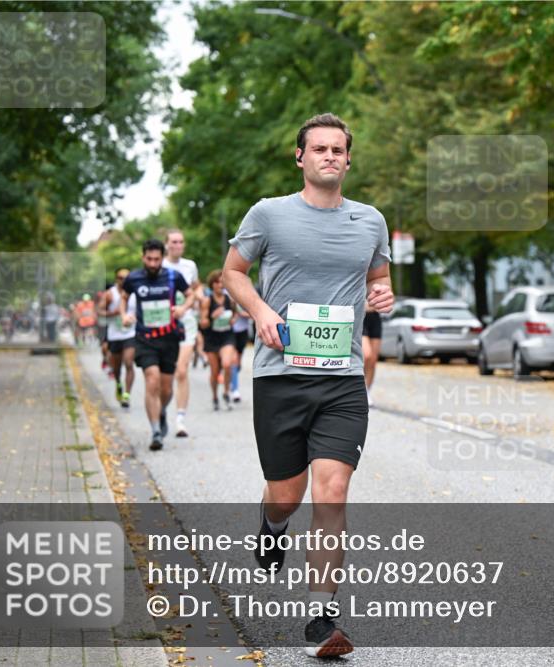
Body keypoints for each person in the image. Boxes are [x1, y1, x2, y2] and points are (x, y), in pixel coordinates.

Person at [223, 113, 392, 658]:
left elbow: (378, 278)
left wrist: (384, 296)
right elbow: (232, 272)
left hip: (341, 380)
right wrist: (262, 312)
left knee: (333, 490)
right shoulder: (268, 215)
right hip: (281, 374)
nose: (328, 157)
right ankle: (272, 526)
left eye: (338, 150)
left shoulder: (370, 221)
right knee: (286, 495)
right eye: (318, 149)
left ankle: (322, 615)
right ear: (300, 157)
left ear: (348, 158)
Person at [121, 239, 192, 451]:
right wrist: (125, 314)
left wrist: (182, 309)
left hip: (169, 338)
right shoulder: (133, 278)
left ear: (162, 258)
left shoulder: (172, 277)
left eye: (157, 259)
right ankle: (155, 432)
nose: (153, 263)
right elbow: (124, 298)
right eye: (149, 259)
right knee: (151, 380)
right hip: (145, 338)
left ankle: (161, 411)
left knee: (166, 388)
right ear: (143, 257)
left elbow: (191, 296)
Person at [162, 229, 201, 438]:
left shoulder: (190, 266)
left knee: (182, 371)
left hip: (186, 322)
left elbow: (195, 288)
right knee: (163, 375)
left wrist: (194, 302)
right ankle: (160, 412)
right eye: (174, 242)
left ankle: (180, 419)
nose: (178, 245)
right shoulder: (160, 266)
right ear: (166, 244)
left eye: (181, 242)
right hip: (163, 326)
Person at [200, 270, 239, 411]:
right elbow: (202, 323)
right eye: (217, 282)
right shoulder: (207, 301)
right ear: (212, 284)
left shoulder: (230, 300)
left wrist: (233, 319)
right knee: (215, 372)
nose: (220, 285)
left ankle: (226, 392)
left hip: (226, 337)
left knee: (227, 364)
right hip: (212, 338)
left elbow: (235, 314)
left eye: (222, 281)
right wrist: (212, 317)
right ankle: (215, 396)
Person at [101, 268, 136, 408]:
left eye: (126, 278)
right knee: (116, 368)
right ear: (116, 279)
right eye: (121, 278)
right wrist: (112, 313)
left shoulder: (135, 291)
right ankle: (118, 383)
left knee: (128, 362)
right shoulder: (110, 294)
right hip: (114, 335)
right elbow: (99, 310)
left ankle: (127, 395)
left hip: (130, 333)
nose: (124, 280)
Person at [230, 298, 252, 403]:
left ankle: (231, 376)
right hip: (230, 332)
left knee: (238, 364)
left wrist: (241, 313)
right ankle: (235, 390)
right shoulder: (225, 294)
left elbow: (253, 314)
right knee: (233, 360)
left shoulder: (245, 294)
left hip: (242, 332)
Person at [361, 307, 382, 406]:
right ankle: (358, 389)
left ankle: (366, 391)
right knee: (367, 355)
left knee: (373, 360)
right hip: (361, 317)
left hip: (375, 318)